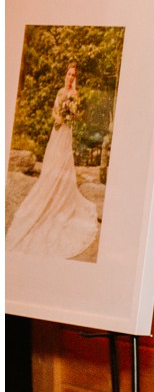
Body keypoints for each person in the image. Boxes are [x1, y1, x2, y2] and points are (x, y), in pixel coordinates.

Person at [7, 63, 99, 261]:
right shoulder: (60, 91)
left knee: (64, 160)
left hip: (66, 131)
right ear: (65, 74)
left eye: (74, 74)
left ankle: (61, 194)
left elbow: (74, 116)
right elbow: (53, 110)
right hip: (57, 129)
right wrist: (58, 116)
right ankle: (49, 188)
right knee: (52, 159)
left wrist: (69, 114)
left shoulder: (76, 94)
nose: (71, 77)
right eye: (69, 74)